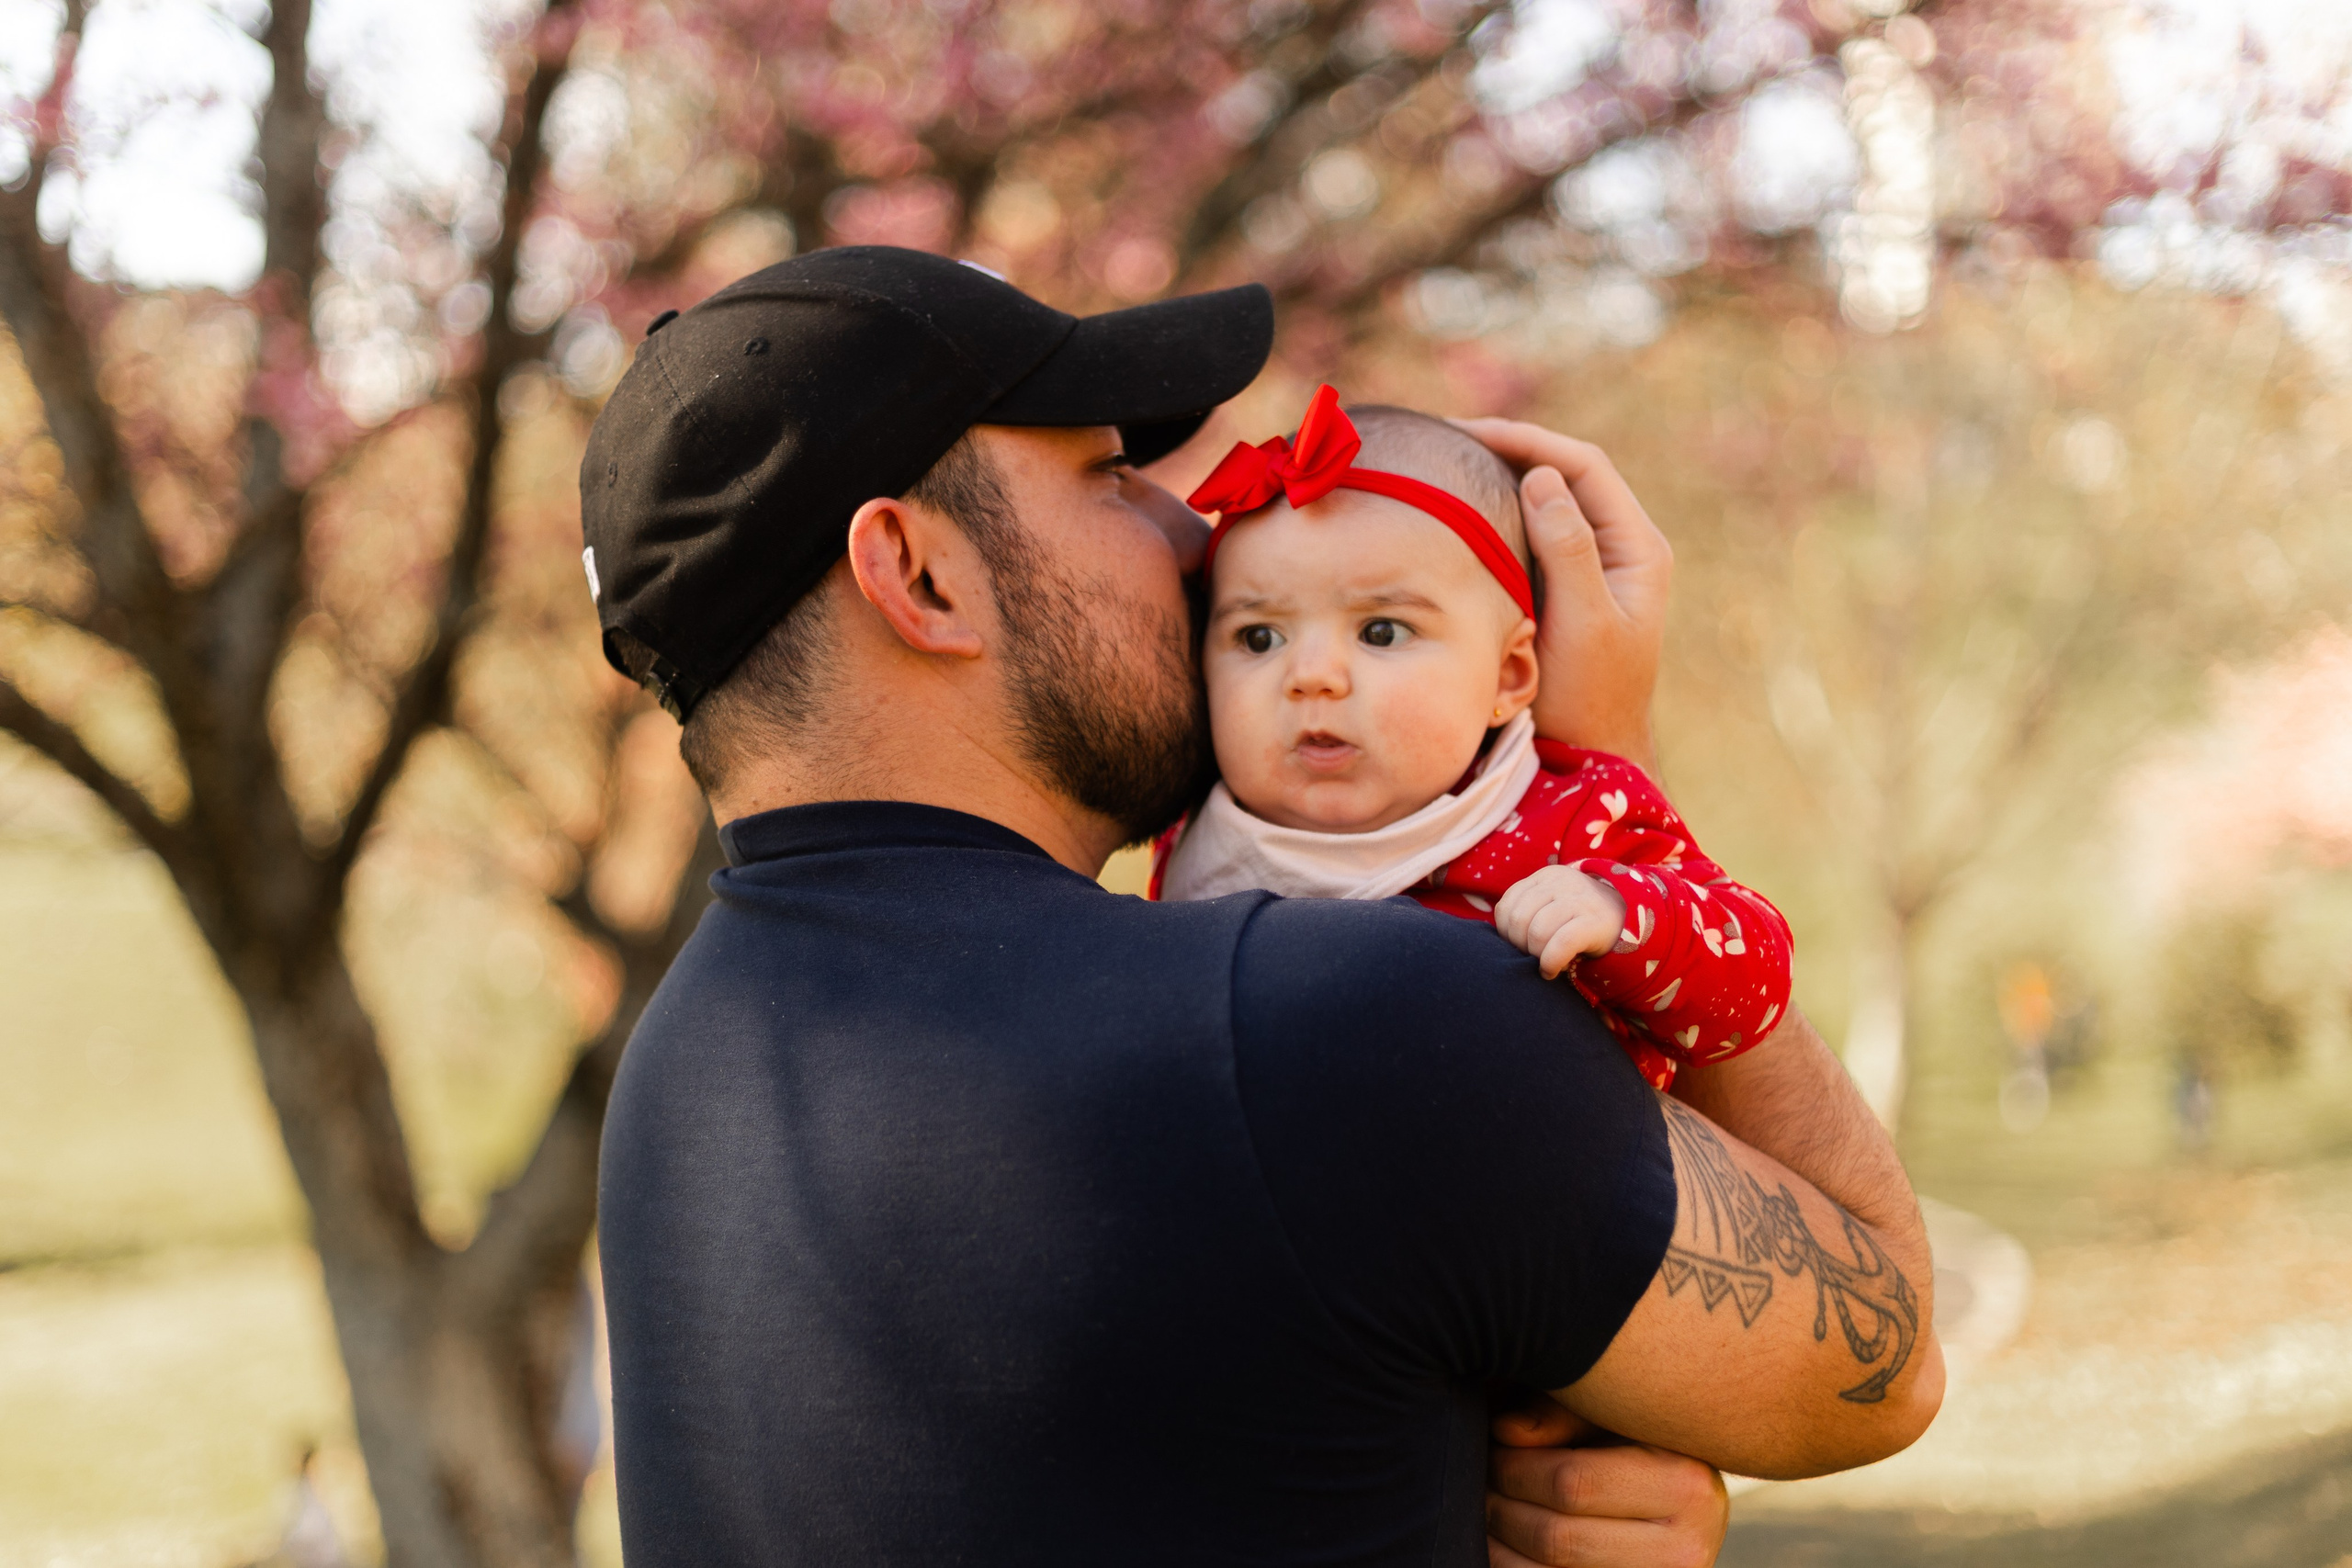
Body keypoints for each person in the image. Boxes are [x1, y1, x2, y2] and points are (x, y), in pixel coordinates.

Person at [584, 246, 1943, 1566]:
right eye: (1108, 473)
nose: (1194, 529)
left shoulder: (681, 1084)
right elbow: (1886, 1354)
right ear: (921, 574)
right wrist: (1599, 800)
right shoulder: (1342, 1021)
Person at [1157, 386, 1792, 1091]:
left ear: (1510, 675)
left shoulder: (1571, 815)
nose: (1311, 676)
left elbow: (1756, 981)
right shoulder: (1187, 830)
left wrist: (1622, 913)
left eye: (1381, 631)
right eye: (1259, 636)